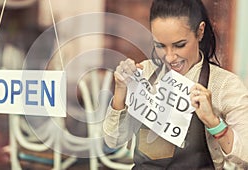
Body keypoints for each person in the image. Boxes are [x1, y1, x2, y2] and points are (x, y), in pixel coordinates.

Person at [103, 0, 248, 169]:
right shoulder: (146, 72)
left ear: (200, 32)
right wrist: (121, 91)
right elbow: (113, 141)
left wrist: (214, 123)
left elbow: (245, 158)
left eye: (179, 45)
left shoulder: (224, 85)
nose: (170, 57)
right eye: (160, 46)